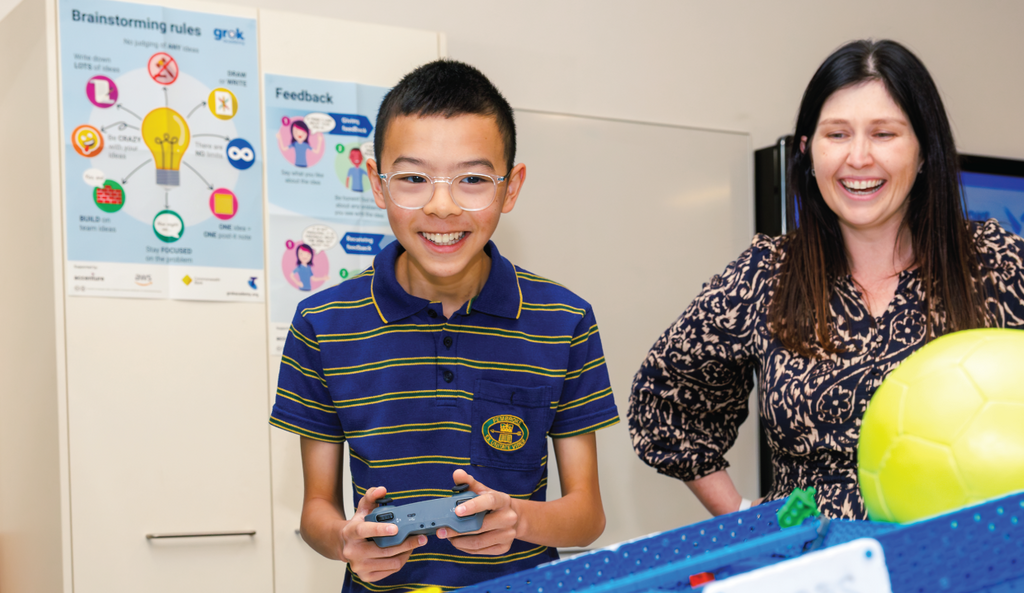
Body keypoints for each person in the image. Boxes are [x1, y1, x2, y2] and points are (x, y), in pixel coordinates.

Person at [629, 39, 1024, 521]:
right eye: (837, 134)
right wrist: (743, 516)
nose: (858, 157)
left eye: (884, 133)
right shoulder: (766, 275)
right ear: (807, 151)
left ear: (924, 152)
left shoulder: (995, 263)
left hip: (970, 560)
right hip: (815, 567)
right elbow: (663, 402)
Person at [269, 59, 620, 592]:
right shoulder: (322, 324)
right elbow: (315, 508)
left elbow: (587, 514)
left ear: (511, 188)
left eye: (473, 180)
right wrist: (345, 540)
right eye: (412, 178)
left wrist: (518, 520)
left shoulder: (563, 320)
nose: (441, 204)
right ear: (377, 184)